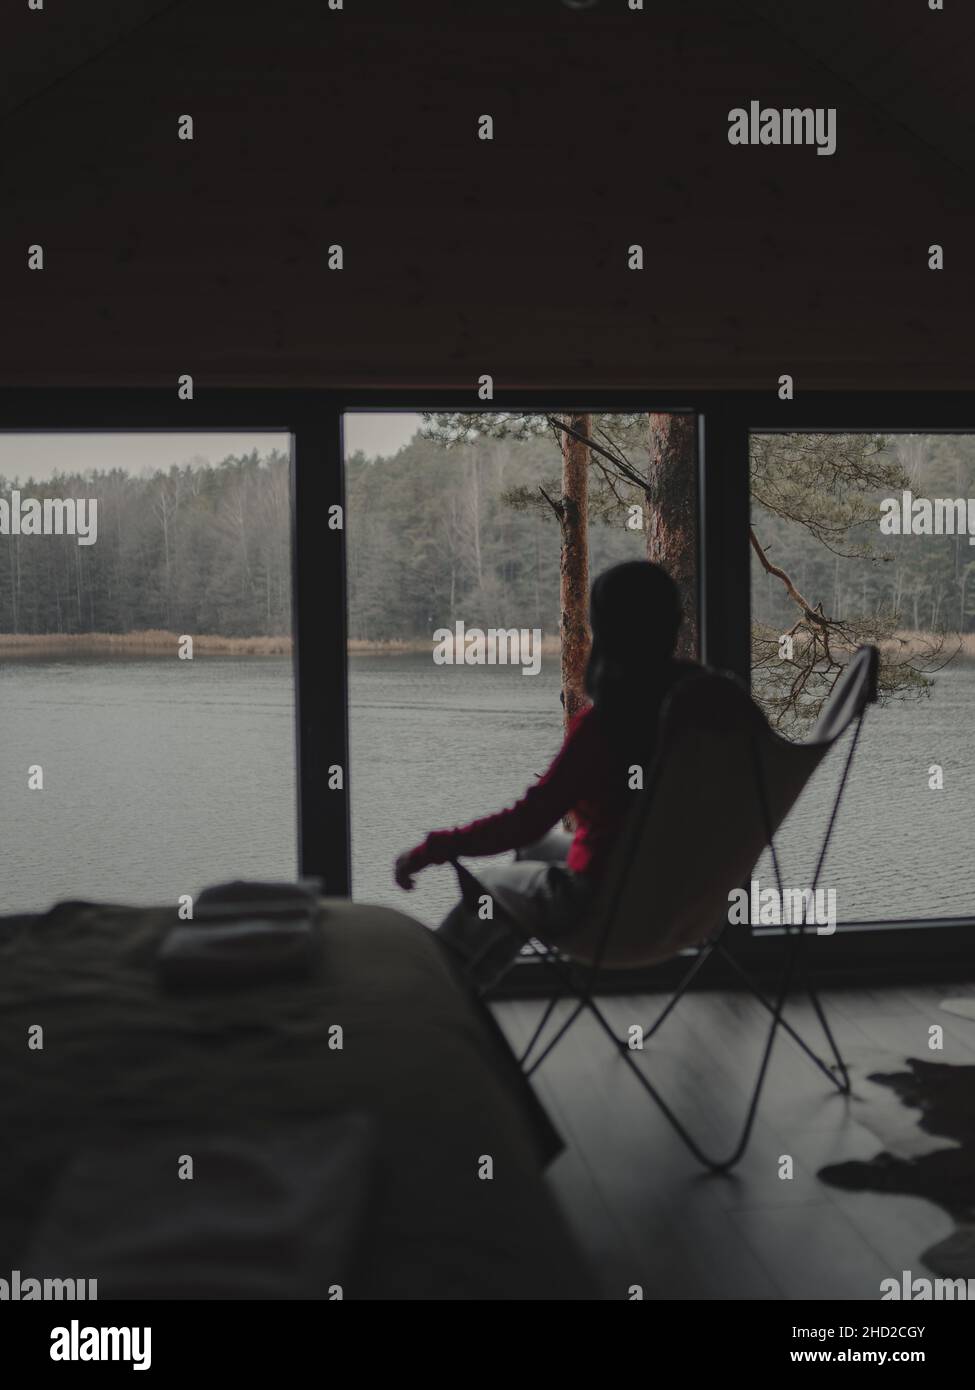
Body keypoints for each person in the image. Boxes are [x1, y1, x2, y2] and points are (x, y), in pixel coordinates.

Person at [394, 561, 700, 987]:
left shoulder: (608, 726)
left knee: (490, 885)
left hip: (606, 905)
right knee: (535, 850)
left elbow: (525, 820)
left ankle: (439, 996)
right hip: (688, 899)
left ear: (605, 632)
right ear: (673, 624)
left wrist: (433, 849)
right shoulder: (709, 708)